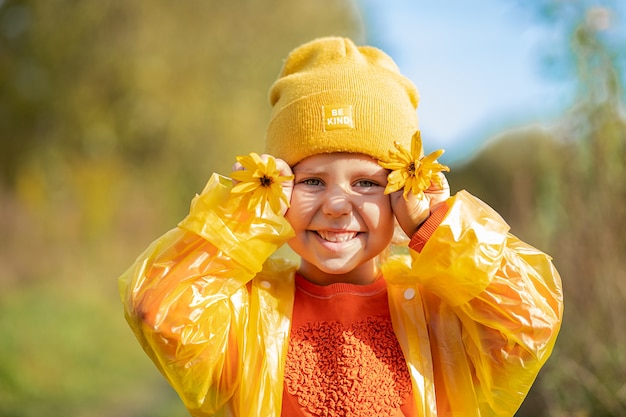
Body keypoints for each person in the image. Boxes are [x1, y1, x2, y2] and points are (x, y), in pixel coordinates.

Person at [119, 37, 563, 417]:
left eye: (367, 183)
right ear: (278, 189)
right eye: (311, 180)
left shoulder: (437, 317)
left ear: (402, 192)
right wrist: (240, 215)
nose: (336, 205)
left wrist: (434, 226)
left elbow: (529, 321)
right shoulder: (249, 315)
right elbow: (157, 311)